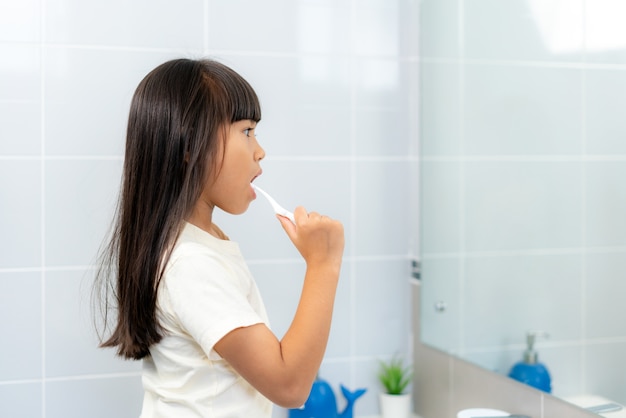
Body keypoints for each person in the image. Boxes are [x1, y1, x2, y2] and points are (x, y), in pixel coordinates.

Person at [94, 58, 344, 418]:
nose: (260, 150)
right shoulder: (191, 264)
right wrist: (324, 264)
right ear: (189, 145)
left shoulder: (196, 244)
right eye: (247, 132)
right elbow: (289, 385)